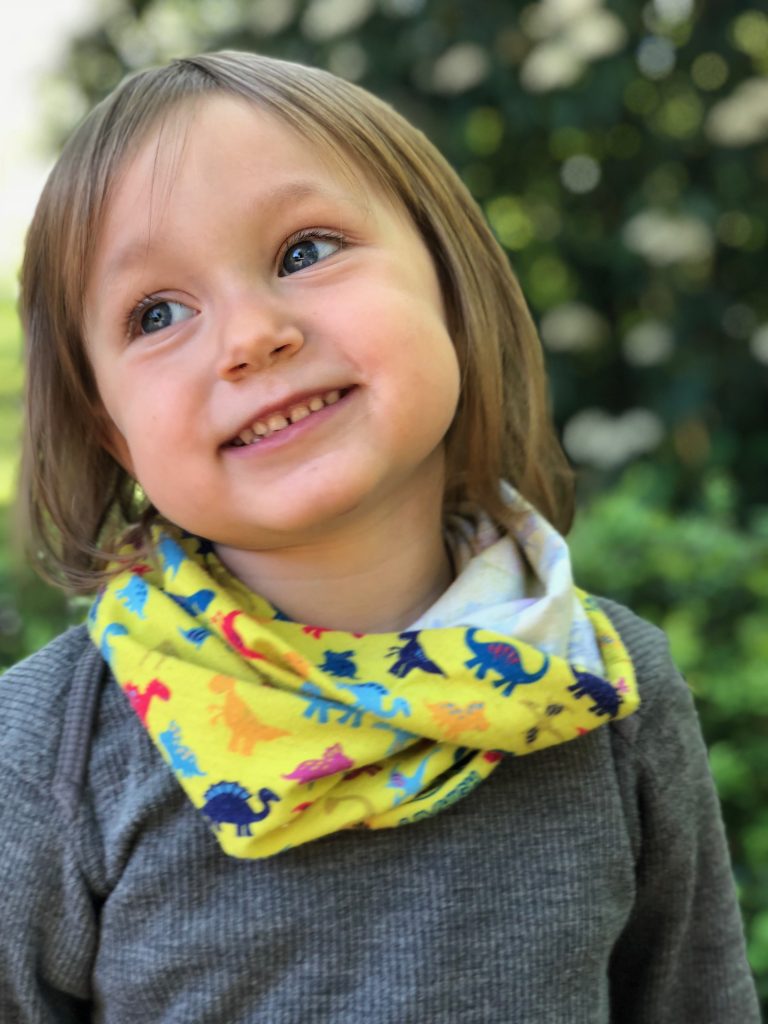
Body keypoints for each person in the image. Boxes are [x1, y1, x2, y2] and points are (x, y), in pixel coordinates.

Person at [0, 50, 759, 1023]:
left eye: (305, 251)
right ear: (113, 429)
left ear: (447, 281)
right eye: (157, 313)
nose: (251, 336)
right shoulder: (39, 758)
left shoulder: (607, 692)